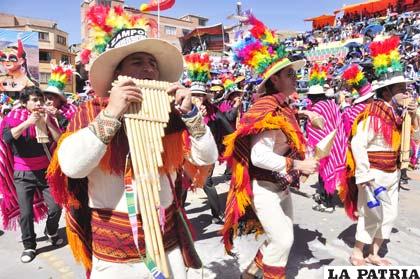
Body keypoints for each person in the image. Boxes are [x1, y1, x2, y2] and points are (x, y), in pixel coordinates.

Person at [47, 5, 217, 278]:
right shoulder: (90, 112)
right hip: (117, 257)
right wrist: (112, 113)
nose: (149, 69)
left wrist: (192, 115)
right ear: (117, 76)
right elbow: (71, 166)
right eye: (137, 62)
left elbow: (206, 158)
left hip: (167, 243)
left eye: (152, 63)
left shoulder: (171, 114)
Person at [221, 14, 319, 278]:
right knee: (283, 240)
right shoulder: (267, 108)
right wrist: (298, 163)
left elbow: (281, 133)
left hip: (280, 185)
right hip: (264, 187)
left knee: (280, 239)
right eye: (290, 74)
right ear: (275, 80)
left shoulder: (283, 107)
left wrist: (304, 115)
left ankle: (250, 273)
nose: (295, 77)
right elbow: (258, 155)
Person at [342, 37, 417, 266]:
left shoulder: (401, 116)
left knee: (389, 214)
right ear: (387, 93)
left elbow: (416, 137)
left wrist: (414, 115)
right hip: (374, 174)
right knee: (371, 213)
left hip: (392, 172)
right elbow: (358, 144)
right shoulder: (373, 114)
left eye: (406, 89)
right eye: (401, 90)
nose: (406, 93)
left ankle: (374, 253)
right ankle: (357, 252)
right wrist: (364, 176)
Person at [0, 86, 63, 263]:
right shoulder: (13, 118)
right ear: (24, 103)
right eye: (34, 100)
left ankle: (51, 230)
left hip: (45, 172)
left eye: (40, 100)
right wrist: (29, 122)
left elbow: (59, 139)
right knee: (25, 213)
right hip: (22, 174)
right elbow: (7, 138)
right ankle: (29, 246)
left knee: (56, 206)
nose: (38, 103)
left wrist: (48, 122)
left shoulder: (48, 117)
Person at [304, 63, 347, 213]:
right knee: (328, 173)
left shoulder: (316, 109)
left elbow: (313, 131)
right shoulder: (332, 105)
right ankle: (326, 197)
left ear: (312, 98)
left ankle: (327, 204)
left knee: (324, 173)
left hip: (324, 146)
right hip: (337, 143)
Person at [43, 64, 77, 130]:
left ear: (59, 98)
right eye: (45, 99)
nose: (47, 102)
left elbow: (74, 128)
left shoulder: (71, 109)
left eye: (50, 98)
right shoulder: (44, 111)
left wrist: (59, 116)